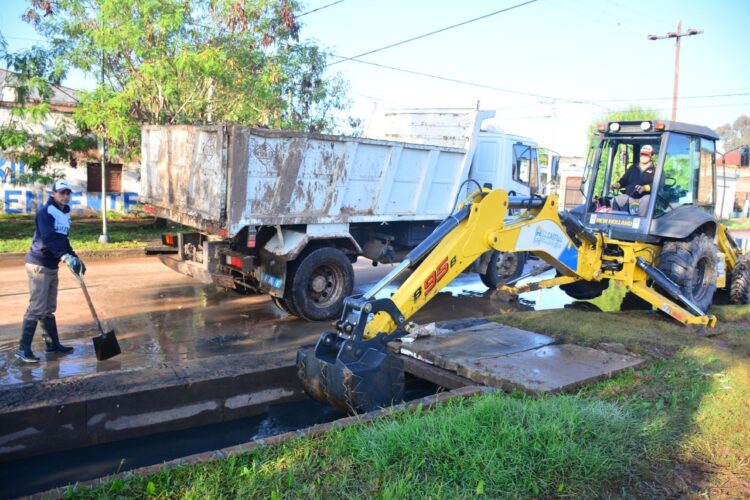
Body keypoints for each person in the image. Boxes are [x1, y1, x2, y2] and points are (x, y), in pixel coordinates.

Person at [16, 179, 86, 363]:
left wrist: (75, 257)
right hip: (39, 264)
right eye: (61, 193)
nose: (65, 196)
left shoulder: (64, 214)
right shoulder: (46, 212)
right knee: (37, 308)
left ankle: (52, 345)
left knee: (48, 308)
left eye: (67, 193)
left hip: (52, 265)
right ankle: (23, 349)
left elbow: (63, 240)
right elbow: (48, 238)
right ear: (53, 194)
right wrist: (65, 257)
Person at [611, 144, 656, 216]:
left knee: (647, 199)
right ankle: (615, 220)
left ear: (652, 156)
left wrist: (645, 188)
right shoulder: (633, 167)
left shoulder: (656, 169)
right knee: (615, 200)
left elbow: (658, 185)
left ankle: (641, 221)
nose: (643, 156)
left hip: (645, 199)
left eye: (646, 155)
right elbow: (623, 180)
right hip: (630, 197)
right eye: (642, 154)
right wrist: (617, 185)